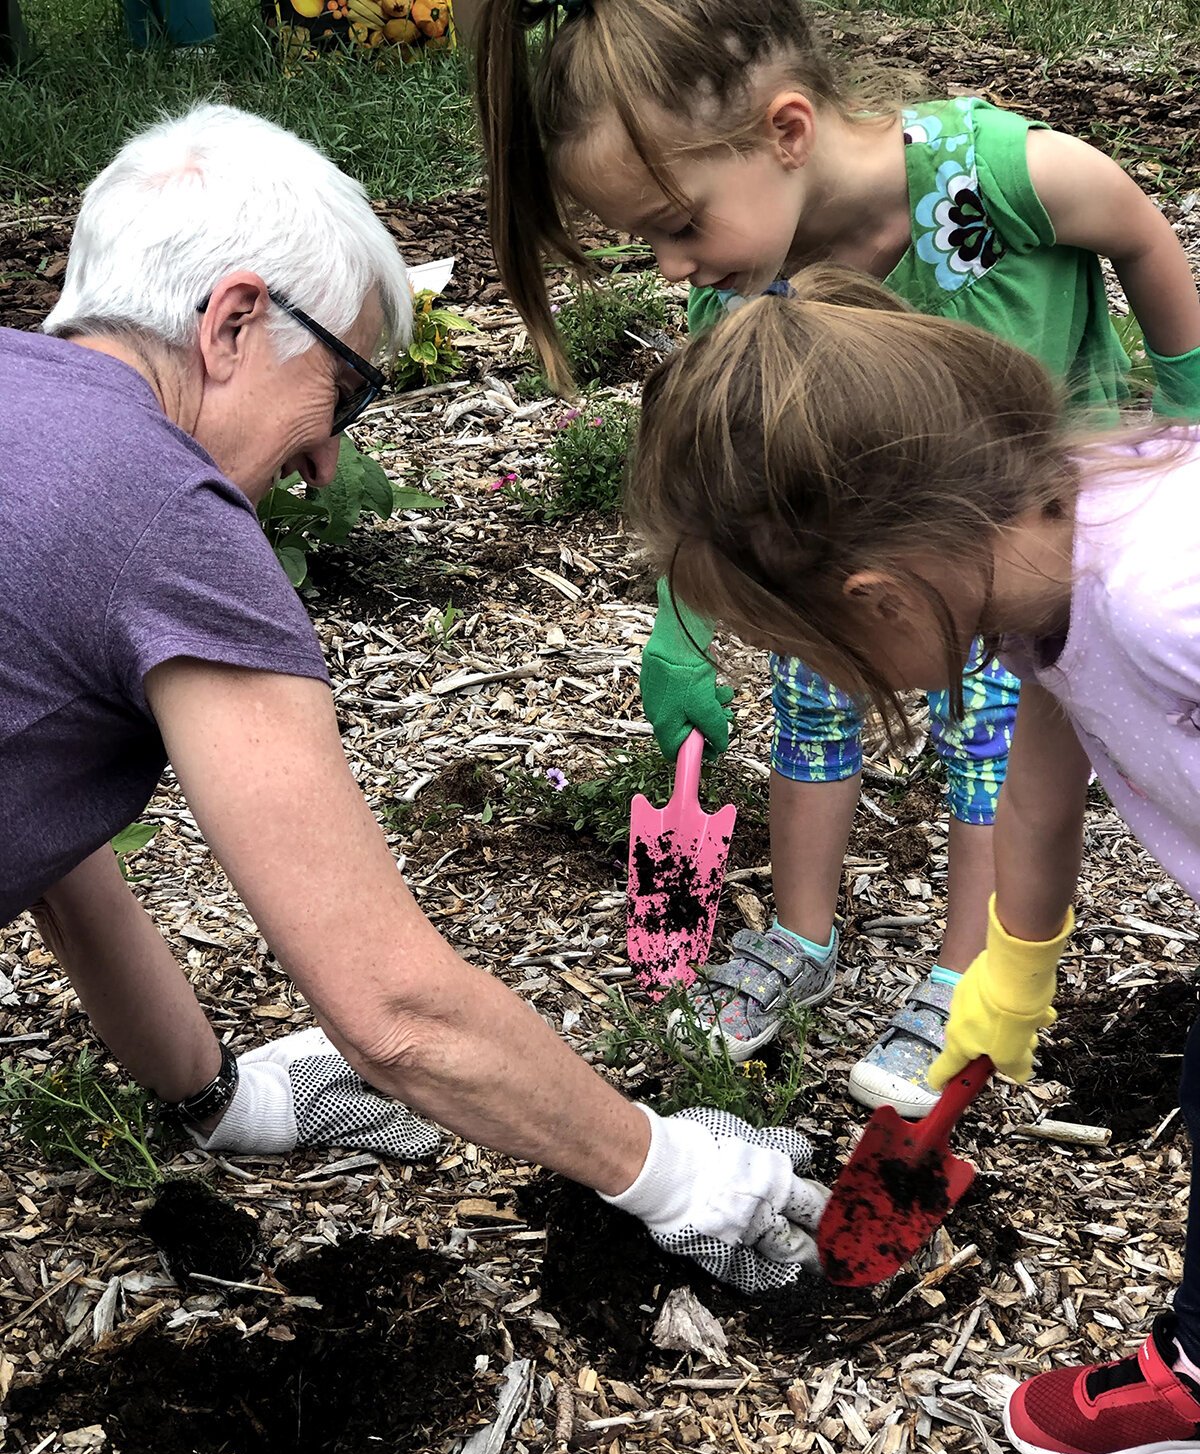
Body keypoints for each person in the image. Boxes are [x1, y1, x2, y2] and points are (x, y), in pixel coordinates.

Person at [0, 103, 829, 1297]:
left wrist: (218, 1097)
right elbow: (394, 1011)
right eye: (347, 390)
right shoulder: (165, 515)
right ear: (234, 320)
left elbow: (50, 840)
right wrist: (669, 1170)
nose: (334, 456)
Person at [474, 0, 1200, 1117]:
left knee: (990, 747)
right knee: (818, 697)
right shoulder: (746, 279)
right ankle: (805, 933)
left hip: (1024, 535)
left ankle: (964, 957)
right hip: (864, 557)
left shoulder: (998, 172)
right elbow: (725, 477)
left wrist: (1188, 405)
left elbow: (1142, 234)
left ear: (787, 131)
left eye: (675, 223)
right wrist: (685, 627)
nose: (670, 267)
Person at [626, 272, 1200, 1454]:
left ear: (882, 598)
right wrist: (1017, 958)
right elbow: (1053, 746)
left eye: (825, 657)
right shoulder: (1048, 575)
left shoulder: (1167, 592)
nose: (843, 683)